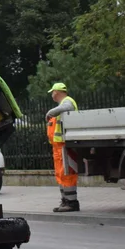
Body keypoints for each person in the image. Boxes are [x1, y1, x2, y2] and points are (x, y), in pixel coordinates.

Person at [45, 82, 81, 212]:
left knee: (67, 174)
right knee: (61, 174)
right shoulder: (61, 105)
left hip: (65, 146)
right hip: (59, 147)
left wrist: (50, 112)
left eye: (53, 92)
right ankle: (65, 200)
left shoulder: (67, 101)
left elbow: (67, 107)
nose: (52, 95)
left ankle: (72, 202)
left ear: (57, 92)